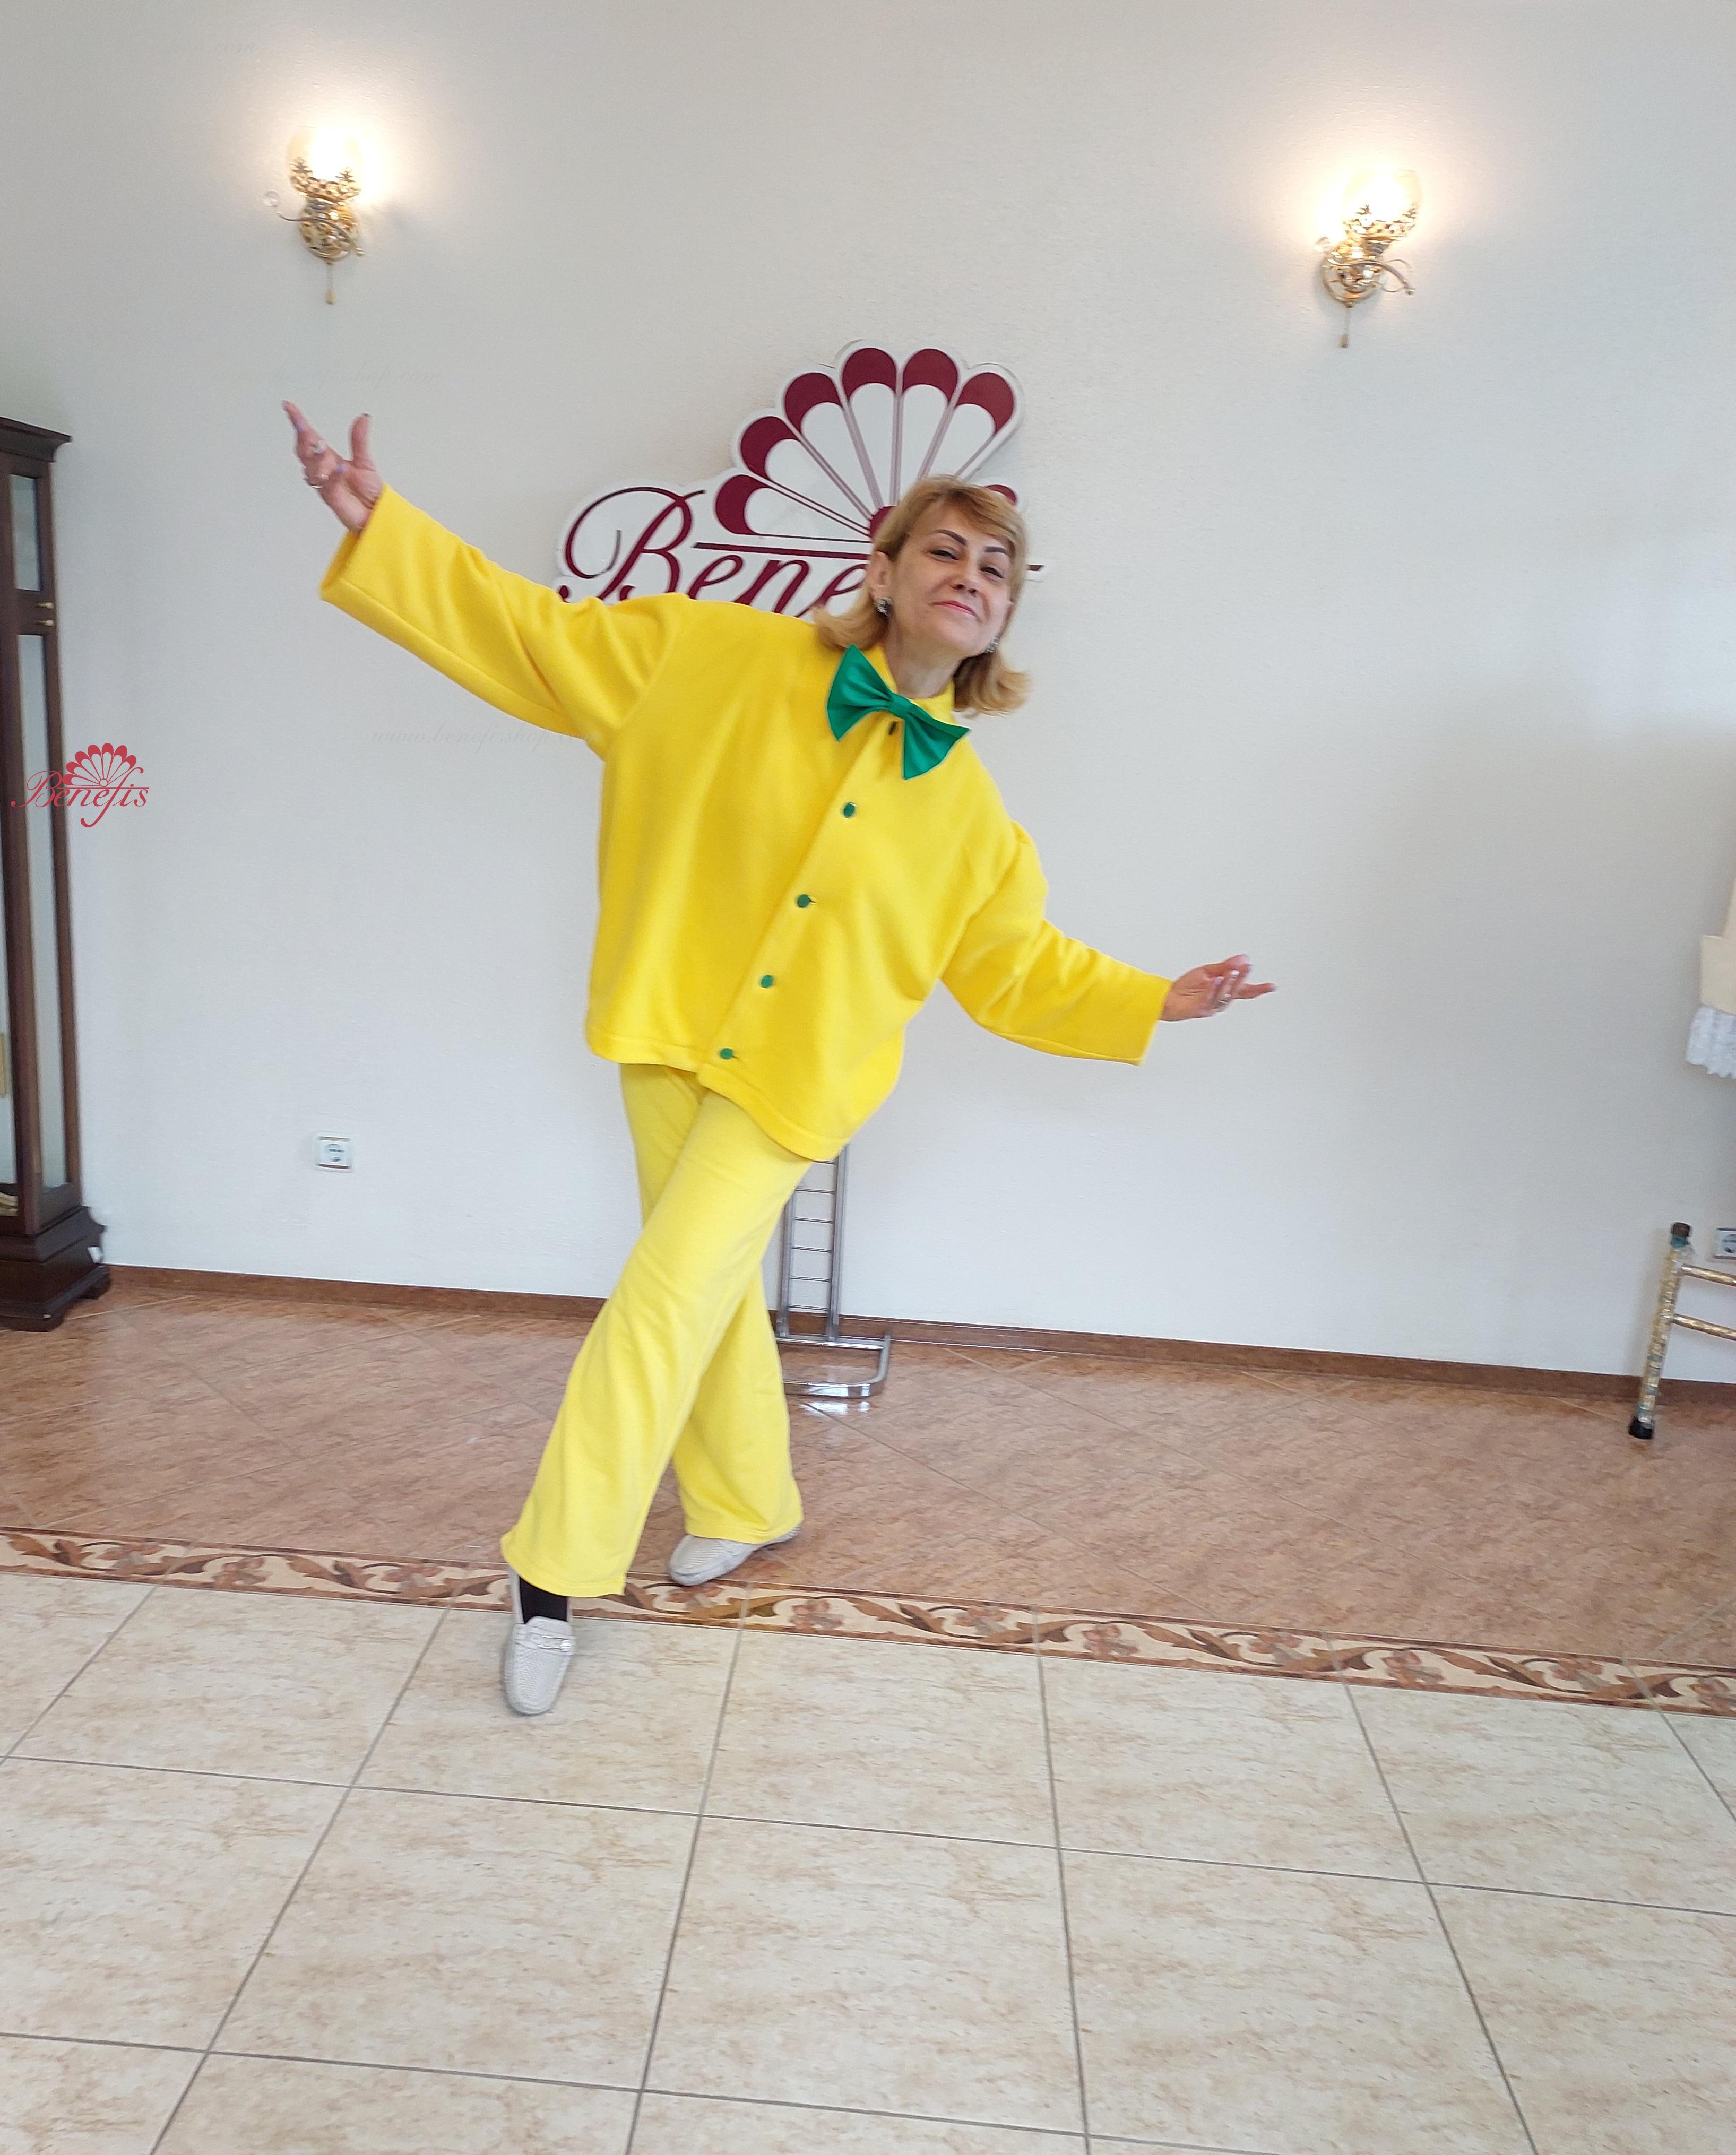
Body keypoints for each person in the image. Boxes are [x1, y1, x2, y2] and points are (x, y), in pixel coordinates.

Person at [283, 402, 1275, 1716]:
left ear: (1004, 617)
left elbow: (1016, 971)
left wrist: (1157, 1000)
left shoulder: (973, 818)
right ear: (883, 570)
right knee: (700, 1293)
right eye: (945, 550)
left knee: (660, 1299)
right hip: (664, 1029)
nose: (970, 576)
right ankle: (750, 1499)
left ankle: (550, 1579)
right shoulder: (712, 654)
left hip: (793, 1084)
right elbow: (538, 638)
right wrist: (387, 532)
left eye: (996, 568)